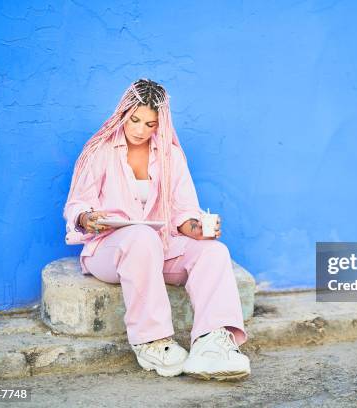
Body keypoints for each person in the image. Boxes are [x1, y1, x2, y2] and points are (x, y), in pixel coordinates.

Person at [63, 78, 250, 381]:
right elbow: (77, 204)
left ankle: (213, 344)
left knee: (214, 252)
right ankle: (152, 341)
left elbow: (184, 210)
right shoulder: (100, 151)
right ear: (122, 113)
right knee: (140, 236)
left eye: (149, 124)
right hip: (109, 251)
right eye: (134, 119)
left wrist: (198, 229)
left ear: (160, 124)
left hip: (159, 248)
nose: (139, 130)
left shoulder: (170, 155)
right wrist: (87, 218)